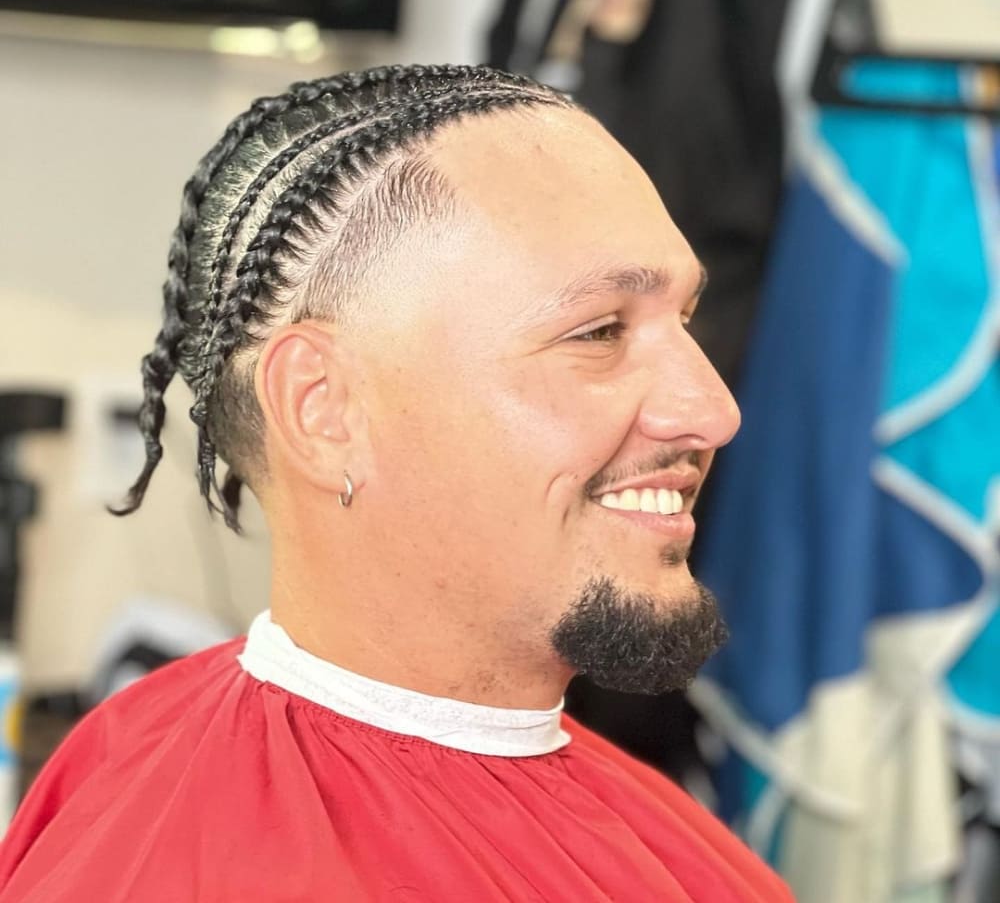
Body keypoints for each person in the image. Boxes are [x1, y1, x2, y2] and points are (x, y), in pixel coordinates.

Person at [0, 65, 791, 901]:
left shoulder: (629, 805)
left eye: (686, 321)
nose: (712, 409)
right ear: (324, 410)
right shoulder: (196, 863)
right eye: (599, 331)